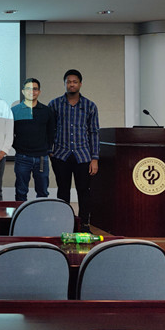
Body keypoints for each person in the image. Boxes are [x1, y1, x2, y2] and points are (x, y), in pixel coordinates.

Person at [49, 69, 100, 232]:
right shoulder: (54, 104)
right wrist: (50, 151)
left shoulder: (90, 106)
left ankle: (84, 224)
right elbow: (50, 129)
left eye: (75, 82)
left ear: (80, 84)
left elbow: (94, 132)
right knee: (63, 191)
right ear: (64, 84)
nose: (72, 84)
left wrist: (95, 158)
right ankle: (64, 223)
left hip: (83, 155)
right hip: (61, 155)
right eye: (69, 82)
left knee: (84, 191)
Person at [12, 78, 56, 201]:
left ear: (39, 92)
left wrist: (47, 149)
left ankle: (40, 213)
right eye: (28, 89)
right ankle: (21, 213)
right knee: (21, 191)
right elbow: (9, 134)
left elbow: (51, 132)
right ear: (23, 91)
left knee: (43, 192)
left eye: (35, 89)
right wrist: (18, 147)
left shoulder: (47, 111)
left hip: (41, 158)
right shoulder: (14, 111)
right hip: (22, 157)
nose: (32, 91)